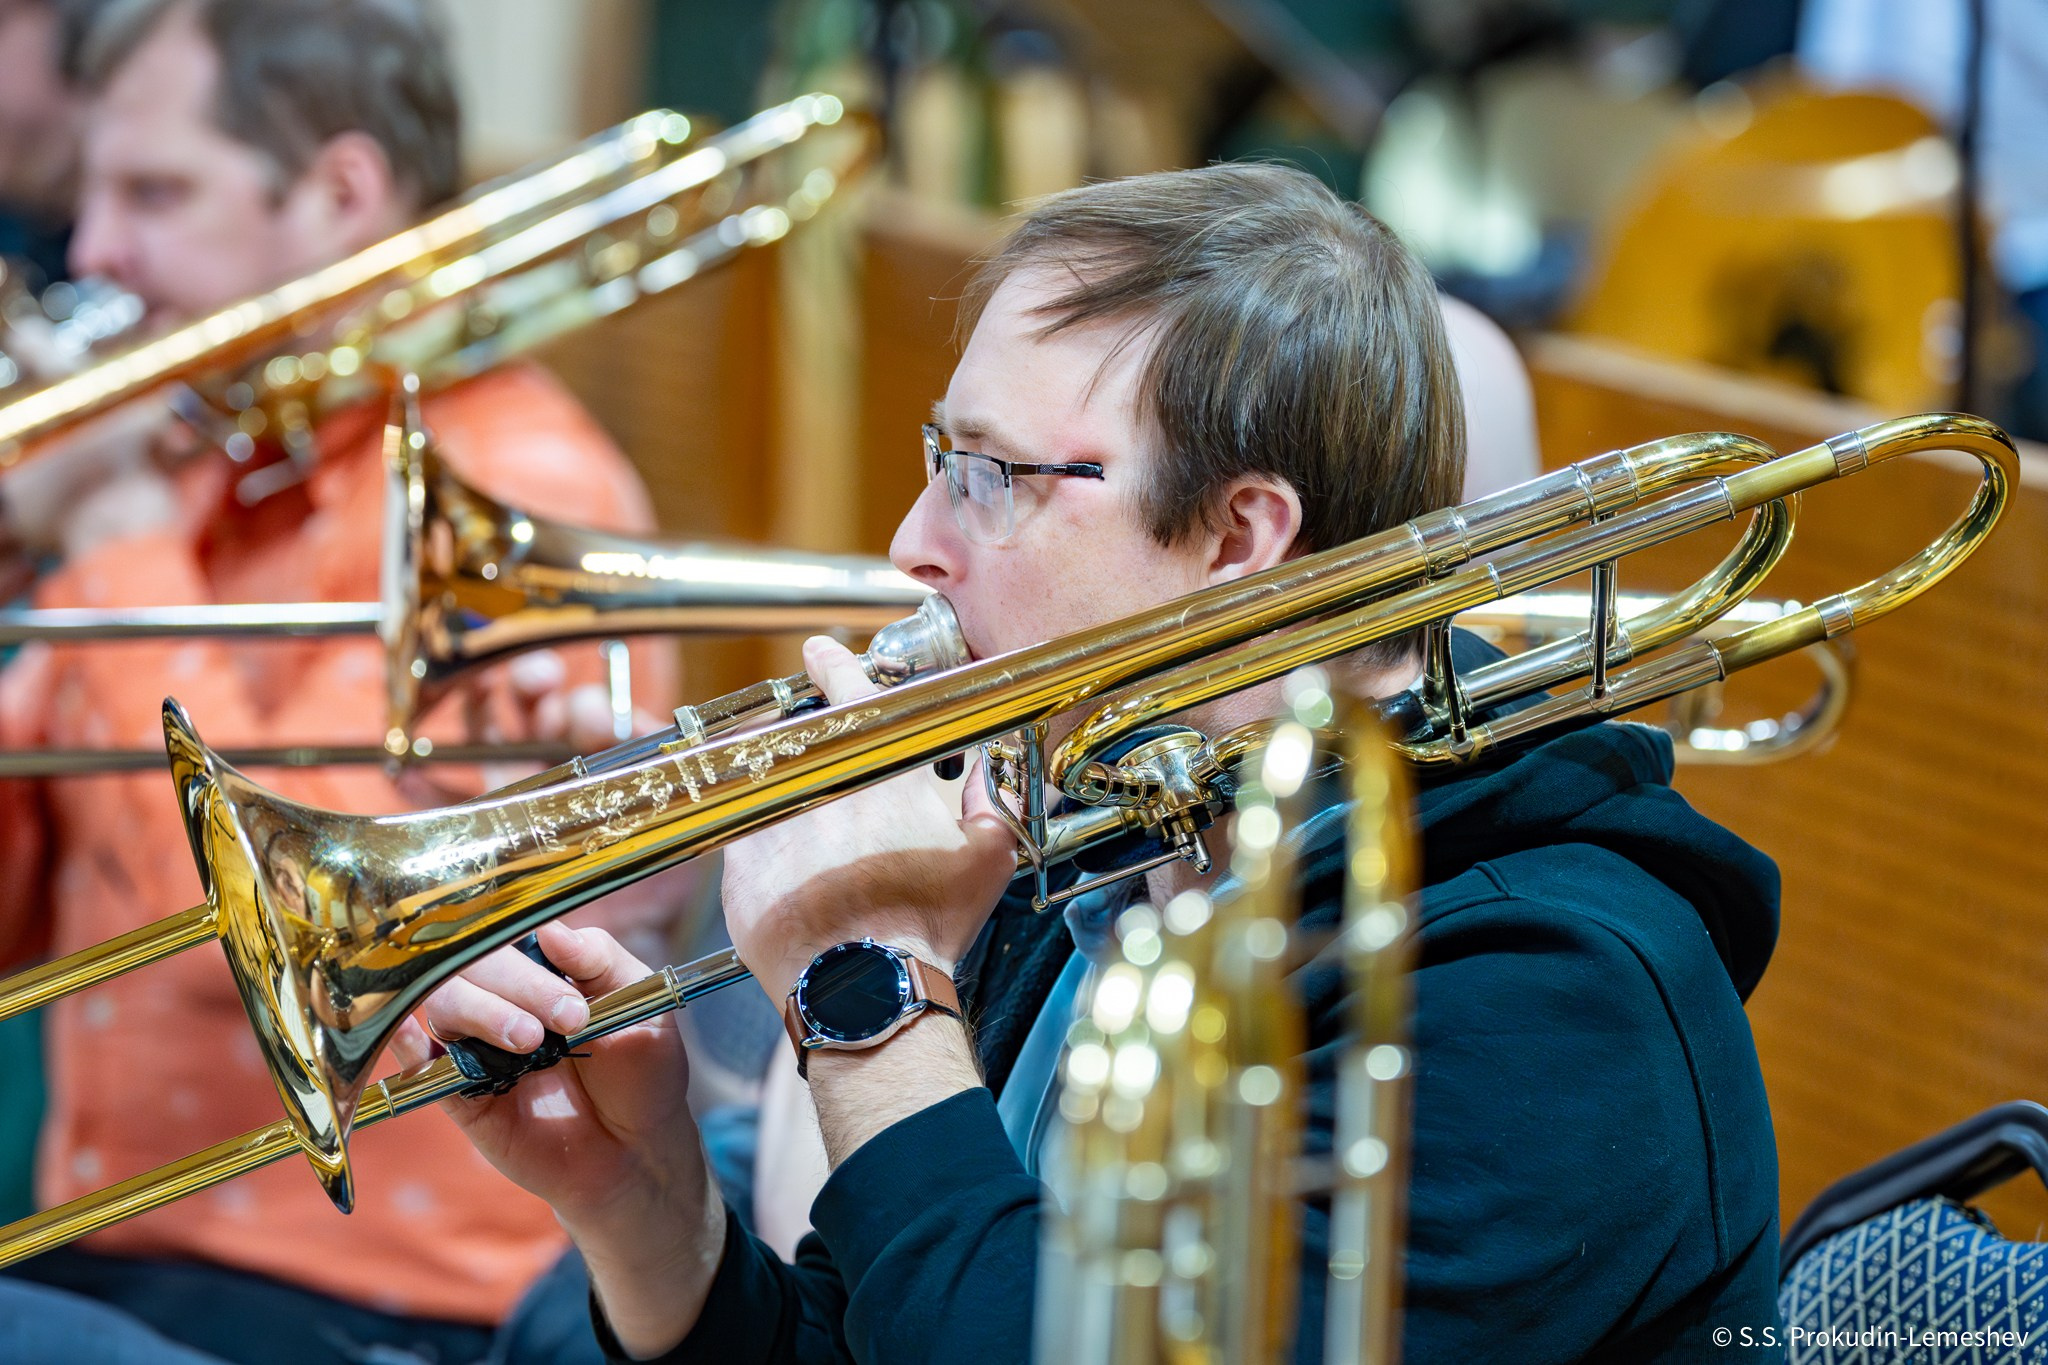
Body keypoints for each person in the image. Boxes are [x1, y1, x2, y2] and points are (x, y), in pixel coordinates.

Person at [407, 163, 1783, 1363]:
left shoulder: (1558, 998)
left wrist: (867, 994)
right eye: (938, 455)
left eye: (990, 474)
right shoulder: (1111, 827)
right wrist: (649, 1219)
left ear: (1240, 538)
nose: (910, 541)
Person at [0, 3, 676, 1363]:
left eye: (157, 190)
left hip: (371, 1291)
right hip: (124, 1249)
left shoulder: (509, 497)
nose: (94, 252)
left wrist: (114, 543)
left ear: (341, 193)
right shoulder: (194, 479)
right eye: (96, 191)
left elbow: (272, 924)